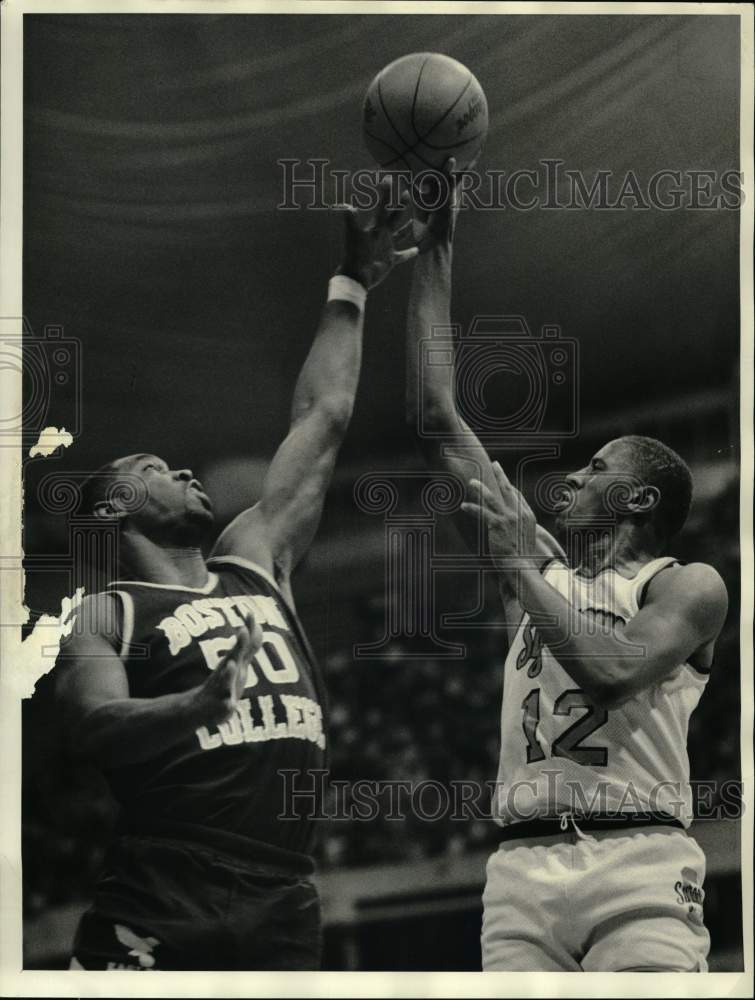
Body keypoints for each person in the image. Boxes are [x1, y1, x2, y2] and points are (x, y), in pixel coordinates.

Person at [56, 185, 417, 971]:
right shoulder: (105, 616)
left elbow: (321, 417)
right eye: (154, 468)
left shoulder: (253, 560)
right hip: (165, 887)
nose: (184, 468)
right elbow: (93, 724)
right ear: (117, 509)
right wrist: (195, 704)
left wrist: (351, 281)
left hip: (284, 895)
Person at [405, 159, 728, 972]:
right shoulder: (543, 569)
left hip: (639, 861)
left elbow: (615, 670)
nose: (573, 479)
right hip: (518, 873)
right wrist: (435, 242)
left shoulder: (685, 585)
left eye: (597, 470)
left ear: (639, 502)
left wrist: (519, 574)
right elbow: (440, 420)